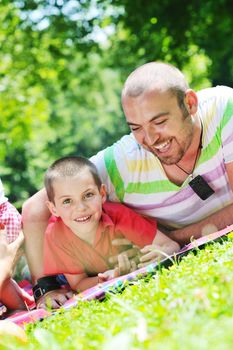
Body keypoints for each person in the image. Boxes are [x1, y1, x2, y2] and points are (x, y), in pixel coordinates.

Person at [22, 61, 233, 302]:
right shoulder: (123, 161)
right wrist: (46, 289)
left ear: (190, 104)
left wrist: (171, 241)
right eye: (136, 128)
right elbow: (33, 210)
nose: (151, 139)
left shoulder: (224, 111)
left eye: (159, 122)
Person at [41, 156, 179, 295]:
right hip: (65, 274)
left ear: (102, 194)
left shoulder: (119, 216)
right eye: (67, 201)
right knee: (48, 274)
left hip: (104, 265)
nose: (81, 208)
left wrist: (163, 254)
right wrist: (108, 278)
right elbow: (78, 284)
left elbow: (170, 245)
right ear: (53, 209)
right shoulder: (56, 234)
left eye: (88, 195)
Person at [0, 179, 33, 317]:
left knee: (1, 268)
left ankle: (18, 308)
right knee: (2, 271)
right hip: (6, 213)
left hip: (2, 219)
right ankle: (23, 297)